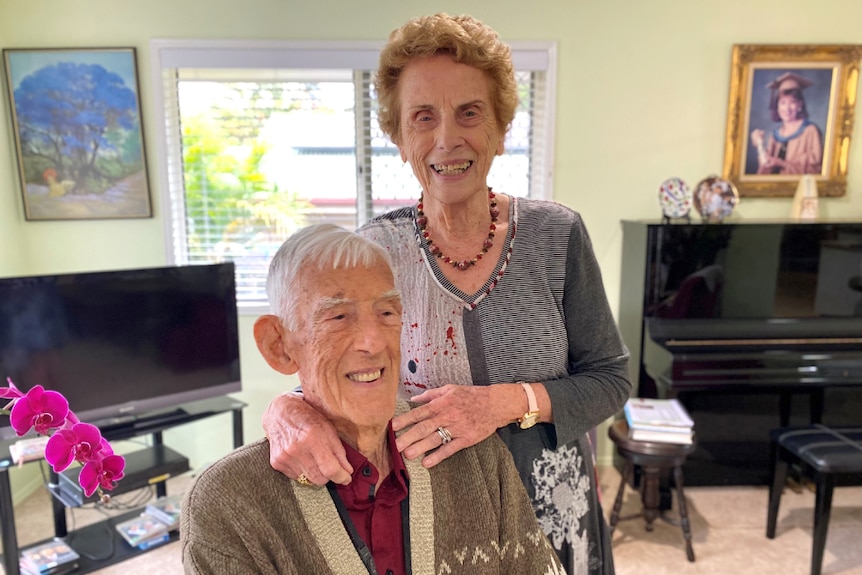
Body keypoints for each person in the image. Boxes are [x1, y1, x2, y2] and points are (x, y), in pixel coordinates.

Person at [262, 14, 632, 574]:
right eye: (423, 117)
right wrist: (284, 409)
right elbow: (334, 370)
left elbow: (611, 380)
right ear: (399, 136)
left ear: (501, 127)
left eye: (469, 113)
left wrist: (502, 404)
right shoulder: (374, 250)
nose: (445, 139)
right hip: (435, 528)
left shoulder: (558, 236)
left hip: (553, 512)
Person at [181, 224, 564, 575]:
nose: (373, 341)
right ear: (279, 346)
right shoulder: (225, 504)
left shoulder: (475, 455)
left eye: (386, 312)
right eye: (338, 317)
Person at [750, 71, 823, 175]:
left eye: (792, 102)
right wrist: (759, 145)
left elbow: (815, 167)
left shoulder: (810, 131)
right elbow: (766, 169)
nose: (787, 109)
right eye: (783, 103)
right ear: (777, 106)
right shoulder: (775, 135)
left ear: (800, 105)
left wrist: (781, 163)